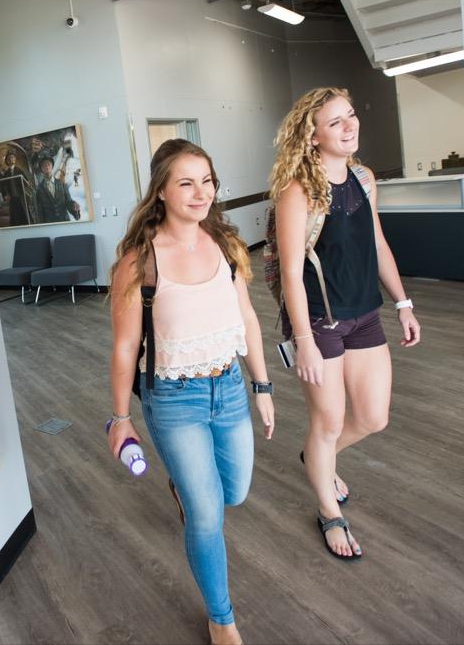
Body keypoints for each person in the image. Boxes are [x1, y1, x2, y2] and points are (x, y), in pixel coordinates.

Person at [107, 139, 275, 645]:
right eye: (186, 182)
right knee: (206, 516)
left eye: (207, 181)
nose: (201, 193)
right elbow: (125, 347)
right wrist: (120, 418)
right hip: (174, 398)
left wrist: (262, 385)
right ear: (161, 190)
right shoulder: (139, 262)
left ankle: (184, 485)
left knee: (235, 493)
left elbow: (248, 318)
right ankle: (222, 619)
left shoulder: (225, 244)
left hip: (229, 386)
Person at [268, 87, 421, 560]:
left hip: (365, 313)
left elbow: (377, 242)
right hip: (321, 320)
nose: (349, 125)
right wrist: (304, 341)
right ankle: (328, 511)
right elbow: (291, 272)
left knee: (373, 418)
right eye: (335, 122)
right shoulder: (297, 190)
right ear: (313, 136)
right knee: (328, 421)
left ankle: (318, 456)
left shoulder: (363, 178)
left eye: (350, 115)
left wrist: (402, 302)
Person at [35, 155, 80, 222]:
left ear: (52, 166)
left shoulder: (62, 184)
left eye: (48, 164)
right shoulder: (39, 189)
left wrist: (74, 206)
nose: (47, 166)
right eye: (44, 165)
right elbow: (40, 211)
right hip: (50, 223)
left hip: (64, 221)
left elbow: (68, 201)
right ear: (42, 169)